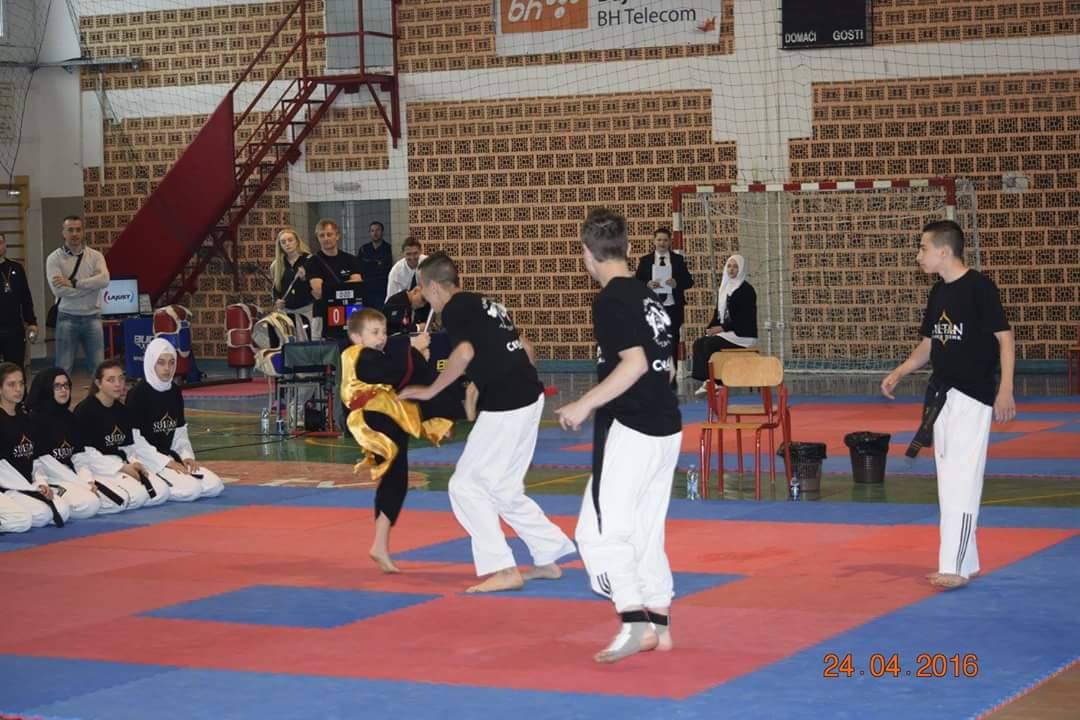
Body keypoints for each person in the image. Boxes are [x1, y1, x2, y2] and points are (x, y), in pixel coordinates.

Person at [399, 253, 576, 593]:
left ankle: (504, 568)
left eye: (423, 291)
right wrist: (494, 378)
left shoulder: (454, 310)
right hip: (529, 395)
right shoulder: (487, 303)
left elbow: (464, 353)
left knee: (464, 486)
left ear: (433, 286)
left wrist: (430, 390)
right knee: (504, 489)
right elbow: (524, 348)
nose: (426, 299)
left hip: (507, 404)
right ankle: (547, 555)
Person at [555, 209, 682, 663]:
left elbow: (635, 364)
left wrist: (584, 404)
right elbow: (667, 367)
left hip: (632, 428)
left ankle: (633, 621)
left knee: (598, 531)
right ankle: (659, 623)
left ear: (586, 254)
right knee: (645, 528)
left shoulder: (610, 300)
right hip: (665, 425)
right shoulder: (649, 297)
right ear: (629, 249)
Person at [882, 220, 1015, 590]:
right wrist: (900, 371)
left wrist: (1005, 389)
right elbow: (929, 344)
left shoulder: (979, 288)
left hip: (973, 396)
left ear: (944, 251)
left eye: (923, 248)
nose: (918, 256)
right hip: (941, 395)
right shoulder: (938, 292)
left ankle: (953, 566)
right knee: (948, 480)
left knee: (962, 480)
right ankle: (965, 562)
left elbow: (1005, 338)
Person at [342, 308, 474, 573]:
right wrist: (413, 351)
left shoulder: (375, 357)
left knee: (395, 481)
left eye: (384, 332)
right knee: (394, 480)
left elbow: (405, 377)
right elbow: (394, 372)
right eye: (375, 332)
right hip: (375, 419)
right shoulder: (358, 355)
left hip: (387, 419)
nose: (382, 337)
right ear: (356, 337)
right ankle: (379, 545)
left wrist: (419, 357)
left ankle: (380, 544)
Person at [126, 338, 225, 501]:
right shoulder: (137, 394)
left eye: (171, 363)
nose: (167, 368)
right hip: (148, 459)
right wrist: (166, 463)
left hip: (170, 456)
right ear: (151, 363)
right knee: (191, 490)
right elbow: (135, 441)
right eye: (161, 363)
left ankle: (171, 480)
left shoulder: (174, 391)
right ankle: (153, 486)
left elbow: (179, 431)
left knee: (215, 486)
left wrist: (186, 456)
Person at [73, 359, 169, 508]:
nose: (118, 384)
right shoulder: (84, 411)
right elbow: (84, 454)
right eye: (111, 380)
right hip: (97, 467)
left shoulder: (122, 410)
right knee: (134, 497)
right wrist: (121, 468)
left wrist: (134, 462)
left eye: (121, 379)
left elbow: (127, 446)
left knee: (162, 492)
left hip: (120, 464)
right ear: (98, 383)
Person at [0, 362, 72, 528]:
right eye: (11, 384)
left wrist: (41, 483)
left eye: (21, 383)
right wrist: (28, 489)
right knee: (24, 520)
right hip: (7, 486)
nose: (18, 389)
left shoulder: (26, 418)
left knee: (62, 511)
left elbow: (35, 460)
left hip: (25, 485)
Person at [27, 368, 101, 520]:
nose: (63, 390)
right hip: (49, 479)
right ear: (46, 389)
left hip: (70, 476)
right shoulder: (33, 421)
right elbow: (38, 462)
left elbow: (79, 456)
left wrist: (87, 479)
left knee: (98, 499)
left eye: (66, 385)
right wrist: (41, 483)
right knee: (89, 504)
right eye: (57, 386)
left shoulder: (70, 418)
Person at [45, 215, 111, 374]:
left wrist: (74, 283)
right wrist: (91, 285)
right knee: (63, 369)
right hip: (67, 317)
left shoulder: (96, 256)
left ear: (83, 232)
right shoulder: (53, 259)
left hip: (93, 317)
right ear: (63, 233)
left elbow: (104, 280)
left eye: (78, 230)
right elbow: (58, 290)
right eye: (70, 230)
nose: (74, 234)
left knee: (99, 369)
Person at [691, 254, 758, 394]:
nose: (731, 269)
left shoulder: (746, 290)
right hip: (727, 332)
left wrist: (721, 328)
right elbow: (718, 313)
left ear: (741, 269)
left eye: (735, 267)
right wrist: (710, 328)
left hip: (742, 335)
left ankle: (714, 382)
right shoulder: (724, 287)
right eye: (729, 266)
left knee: (709, 344)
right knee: (699, 343)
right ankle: (709, 381)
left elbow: (743, 318)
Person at [635, 227, 693, 380]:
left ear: (670, 242)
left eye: (665, 240)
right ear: (654, 241)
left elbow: (689, 281)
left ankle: (670, 375)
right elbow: (637, 282)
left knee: (672, 340)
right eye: (659, 240)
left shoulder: (677, 260)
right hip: (653, 307)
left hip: (672, 306)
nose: (662, 243)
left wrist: (676, 283)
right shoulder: (645, 261)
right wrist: (647, 284)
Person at [307, 219, 364, 345]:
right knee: (323, 351)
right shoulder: (313, 262)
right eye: (322, 235)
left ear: (337, 236)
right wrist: (344, 286)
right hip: (323, 315)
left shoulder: (351, 259)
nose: (326, 238)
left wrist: (330, 288)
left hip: (350, 311)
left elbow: (356, 287)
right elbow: (319, 292)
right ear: (318, 238)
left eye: (329, 234)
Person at [270, 227, 317, 340]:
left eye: (290, 240)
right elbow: (276, 288)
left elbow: (316, 288)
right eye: (283, 242)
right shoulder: (277, 265)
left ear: (297, 241)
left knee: (309, 343)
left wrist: (305, 278)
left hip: (307, 312)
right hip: (286, 313)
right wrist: (277, 300)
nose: (287, 244)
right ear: (280, 246)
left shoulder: (309, 260)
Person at [0, 232, 38, 367]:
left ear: (5, 245)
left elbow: (25, 297)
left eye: (0, 242)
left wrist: (31, 322)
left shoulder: (16, 268)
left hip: (14, 329)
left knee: (16, 368)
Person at [358, 221, 393, 310]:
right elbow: (360, 268)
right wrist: (377, 263)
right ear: (369, 233)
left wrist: (370, 264)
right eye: (372, 230)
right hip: (366, 290)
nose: (375, 233)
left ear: (382, 232)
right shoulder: (363, 249)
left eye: (378, 230)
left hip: (382, 290)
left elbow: (387, 267)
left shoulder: (388, 248)